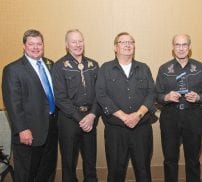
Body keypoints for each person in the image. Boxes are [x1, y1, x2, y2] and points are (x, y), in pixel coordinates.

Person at [95, 32, 156, 182]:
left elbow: (151, 93)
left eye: (131, 42)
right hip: (116, 130)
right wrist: (124, 116)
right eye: (123, 42)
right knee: (115, 171)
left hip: (141, 129)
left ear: (134, 46)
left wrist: (138, 115)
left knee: (143, 170)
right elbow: (101, 95)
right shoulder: (106, 68)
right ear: (115, 47)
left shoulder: (143, 68)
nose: (127, 45)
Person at [2, 29, 58, 182]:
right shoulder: (13, 69)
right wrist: (22, 129)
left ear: (43, 45)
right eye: (31, 44)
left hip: (51, 127)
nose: (35, 47)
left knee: (47, 171)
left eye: (39, 44)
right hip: (29, 131)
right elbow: (13, 103)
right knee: (26, 173)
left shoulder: (50, 64)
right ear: (24, 46)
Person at [155, 34, 202, 182]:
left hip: (192, 117)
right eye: (177, 45)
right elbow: (157, 95)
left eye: (184, 45)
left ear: (189, 47)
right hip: (169, 117)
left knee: (193, 160)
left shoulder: (200, 68)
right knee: (170, 160)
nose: (181, 48)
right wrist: (166, 97)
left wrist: (198, 97)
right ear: (173, 48)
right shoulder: (164, 68)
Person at [52, 29, 100, 182]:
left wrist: (92, 114)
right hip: (69, 120)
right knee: (69, 163)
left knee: (91, 162)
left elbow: (100, 94)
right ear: (67, 45)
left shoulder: (93, 65)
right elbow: (60, 98)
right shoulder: (59, 66)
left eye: (80, 41)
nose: (78, 44)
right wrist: (81, 119)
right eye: (73, 41)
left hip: (91, 118)